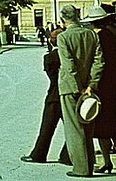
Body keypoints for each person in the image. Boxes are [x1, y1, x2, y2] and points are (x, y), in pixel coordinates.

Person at [82, 5, 116, 174]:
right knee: (114, 123)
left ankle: (107, 160)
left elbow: (96, 63)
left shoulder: (97, 38)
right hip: (114, 84)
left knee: (102, 125)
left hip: (101, 84)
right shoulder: (113, 35)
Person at [57, 4, 104, 178]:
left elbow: (68, 65)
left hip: (71, 88)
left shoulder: (63, 37)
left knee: (74, 129)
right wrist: (92, 84)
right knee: (88, 128)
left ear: (63, 18)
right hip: (90, 88)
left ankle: (81, 168)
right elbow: (99, 61)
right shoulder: (91, 34)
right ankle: (89, 164)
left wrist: (78, 88)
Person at [21, 28, 70, 165]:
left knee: (47, 127)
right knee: (72, 128)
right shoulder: (69, 55)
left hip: (54, 96)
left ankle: (39, 154)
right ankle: (68, 155)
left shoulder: (50, 57)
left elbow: (52, 76)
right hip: (70, 95)